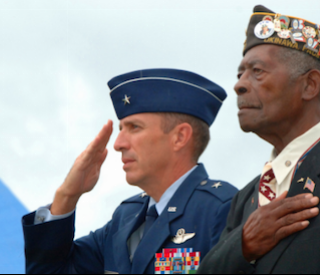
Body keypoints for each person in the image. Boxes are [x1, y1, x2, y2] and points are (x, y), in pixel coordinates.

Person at [198, 5, 320, 274]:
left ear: (309, 85)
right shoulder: (245, 199)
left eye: (257, 71)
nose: (239, 84)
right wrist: (243, 245)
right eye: (239, 73)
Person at [22, 68, 238, 274]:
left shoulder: (223, 209)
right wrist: (67, 195)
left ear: (179, 137)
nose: (118, 144)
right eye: (121, 129)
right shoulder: (127, 216)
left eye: (135, 127)